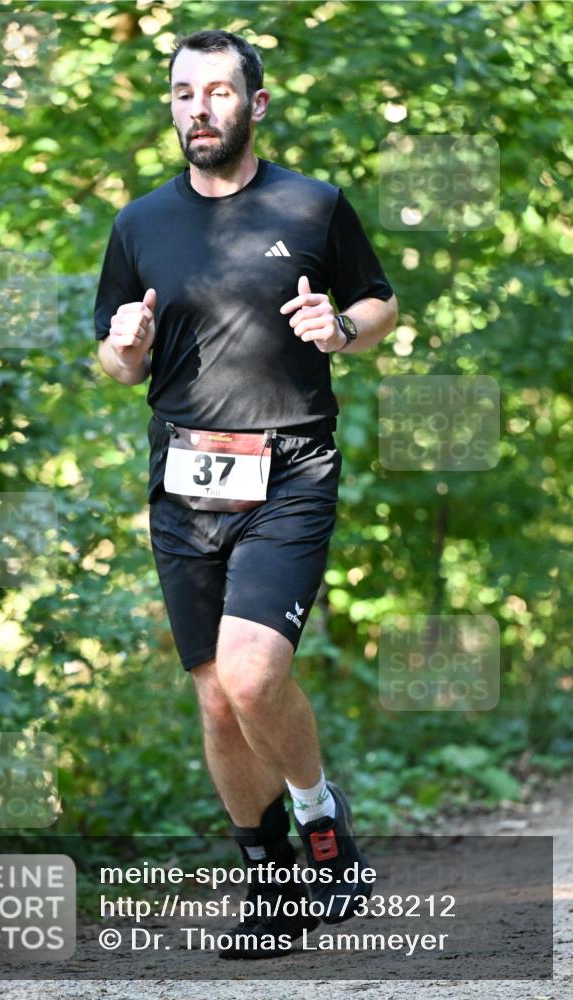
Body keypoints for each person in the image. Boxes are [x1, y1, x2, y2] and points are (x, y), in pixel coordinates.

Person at [93, 29, 398, 959]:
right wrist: (126, 351)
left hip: (291, 469)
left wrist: (339, 326)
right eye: (184, 93)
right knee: (216, 703)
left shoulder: (313, 205)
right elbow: (110, 358)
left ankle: (319, 821)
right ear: (170, 106)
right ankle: (272, 887)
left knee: (252, 673)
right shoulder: (139, 225)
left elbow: (379, 301)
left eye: (218, 92)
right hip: (183, 479)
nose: (199, 108)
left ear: (253, 105)